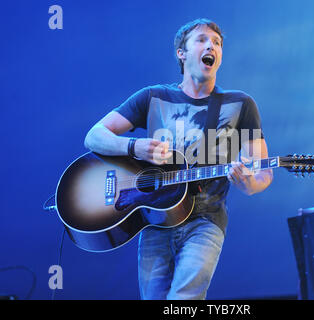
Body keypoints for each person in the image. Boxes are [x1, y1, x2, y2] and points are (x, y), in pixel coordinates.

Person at [84, 18, 273, 300]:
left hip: (206, 222)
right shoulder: (152, 97)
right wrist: (134, 147)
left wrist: (248, 182)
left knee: (184, 299)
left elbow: (262, 173)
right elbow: (93, 136)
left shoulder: (240, 104)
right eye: (202, 40)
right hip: (154, 220)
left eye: (218, 43)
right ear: (181, 53)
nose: (212, 45)